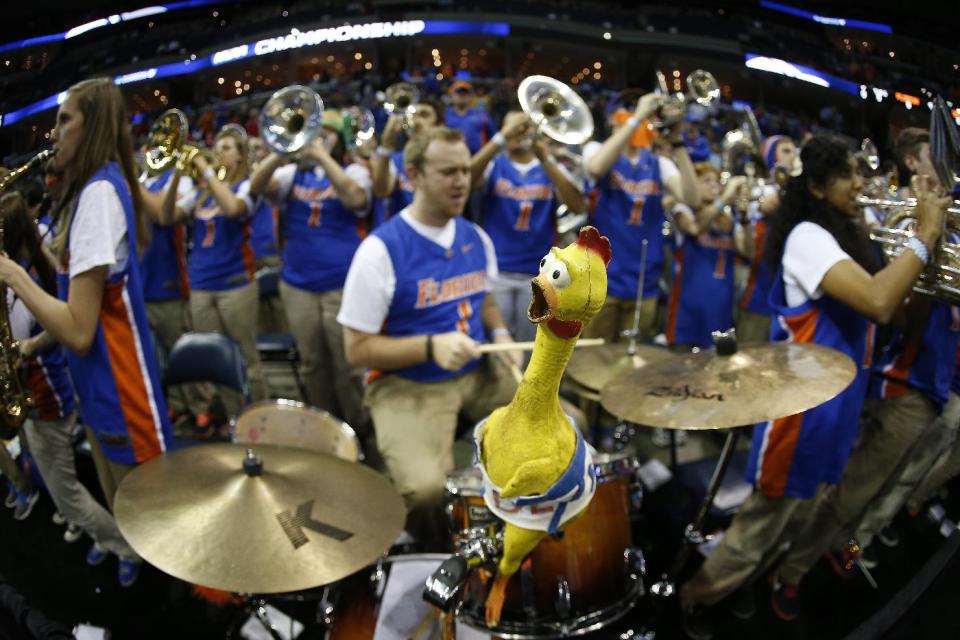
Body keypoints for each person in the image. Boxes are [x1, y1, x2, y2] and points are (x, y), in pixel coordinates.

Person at [679, 135, 948, 638]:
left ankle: (749, 584)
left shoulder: (853, 235)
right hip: (796, 413)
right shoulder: (807, 235)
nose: (861, 184)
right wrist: (924, 236)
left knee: (799, 517)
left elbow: (898, 307)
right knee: (761, 523)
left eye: (860, 173)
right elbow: (877, 300)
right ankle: (694, 598)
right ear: (819, 187)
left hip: (839, 408)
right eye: (848, 175)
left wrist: (918, 245)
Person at [0, 78, 177, 587]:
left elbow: (78, 329)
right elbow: (79, 290)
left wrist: (11, 273)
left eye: (64, 120)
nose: (52, 132)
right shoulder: (96, 188)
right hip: (101, 385)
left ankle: (165, 599)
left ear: (92, 124)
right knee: (128, 509)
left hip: (118, 386)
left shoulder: (99, 194)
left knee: (148, 521)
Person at [337, 127, 518, 547]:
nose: (461, 181)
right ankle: (442, 557)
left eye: (465, 171)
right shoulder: (379, 252)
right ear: (413, 175)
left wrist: (503, 334)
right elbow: (355, 350)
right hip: (406, 383)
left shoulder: (476, 236)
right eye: (448, 172)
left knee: (567, 426)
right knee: (426, 492)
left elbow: (485, 298)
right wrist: (431, 347)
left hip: (479, 371)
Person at [1, 190, 142, 581]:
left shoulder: (19, 283)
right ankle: (103, 534)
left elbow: (35, 338)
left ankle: (125, 546)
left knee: (69, 496)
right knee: (61, 480)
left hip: (45, 400)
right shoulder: (30, 267)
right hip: (46, 395)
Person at [249, 111, 371, 429]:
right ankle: (326, 427)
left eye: (327, 133)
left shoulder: (354, 170)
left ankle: (359, 429)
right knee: (313, 363)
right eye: (315, 133)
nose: (319, 139)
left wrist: (321, 156)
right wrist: (281, 151)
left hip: (341, 284)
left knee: (347, 364)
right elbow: (257, 185)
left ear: (339, 139)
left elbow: (357, 199)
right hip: (298, 284)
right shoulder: (293, 174)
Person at [159, 125, 269, 420]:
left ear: (241, 156)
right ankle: (236, 419)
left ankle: (259, 419)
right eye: (217, 147)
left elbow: (233, 209)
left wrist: (205, 170)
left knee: (247, 358)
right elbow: (166, 216)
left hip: (235, 283)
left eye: (227, 148)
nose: (219, 153)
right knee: (219, 361)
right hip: (201, 286)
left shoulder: (246, 185)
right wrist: (177, 177)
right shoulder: (200, 194)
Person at [581, 93, 700, 343]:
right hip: (600, 278)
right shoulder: (596, 149)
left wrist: (677, 142)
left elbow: (692, 199)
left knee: (629, 364)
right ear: (613, 120)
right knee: (592, 359)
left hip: (643, 280)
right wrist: (636, 118)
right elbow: (595, 168)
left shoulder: (659, 163)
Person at [470, 110, 585, 342]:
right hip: (496, 270)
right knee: (496, 343)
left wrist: (546, 158)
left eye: (523, 126)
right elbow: (467, 179)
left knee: (530, 345)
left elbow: (578, 206)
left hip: (537, 273)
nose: (518, 132)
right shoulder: (495, 164)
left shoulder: (548, 166)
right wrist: (500, 139)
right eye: (512, 126)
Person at [666, 164, 745, 349]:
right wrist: (724, 198)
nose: (714, 186)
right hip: (686, 315)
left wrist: (745, 215)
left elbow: (747, 250)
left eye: (717, 181)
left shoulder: (728, 218)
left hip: (720, 312)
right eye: (706, 181)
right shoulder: (683, 210)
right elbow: (696, 228)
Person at [737, 135, 797, 343]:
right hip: (759, 294)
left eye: (794, 151)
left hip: (787, 300)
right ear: (771, 155)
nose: (793, 156)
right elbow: (767, 206)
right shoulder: (759, 188)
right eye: (786, 151)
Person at [370, 98, 445, 223]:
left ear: (439, 125)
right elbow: (381, 191)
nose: (416, 122)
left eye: (424, 115)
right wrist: (386, 145)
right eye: (412, 116)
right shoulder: (395, 159)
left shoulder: (447, 160)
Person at [445, 81, 495, 155]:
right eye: (459, 93)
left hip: (478, 158)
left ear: (470, 96)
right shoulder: (444, 115)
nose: (462, 95)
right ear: (451, 96)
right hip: (451, 158)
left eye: (465, 93)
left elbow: (493, 137)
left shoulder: (482, 114)